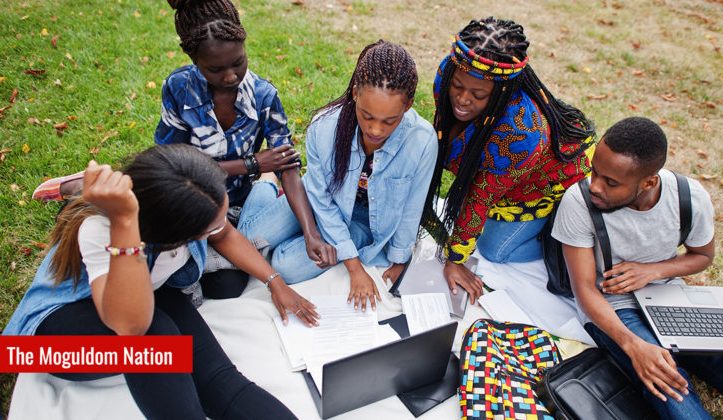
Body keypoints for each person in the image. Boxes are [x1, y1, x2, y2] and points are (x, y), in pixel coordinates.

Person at [32, 0, 337, 298]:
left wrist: (311, 234)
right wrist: (252, 164)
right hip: (186, 203)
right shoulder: (179, 88)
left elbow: (287, 167)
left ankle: (260, 195)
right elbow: (172, 166)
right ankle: (88, 184)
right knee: (195, 277)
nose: (231, 76)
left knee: (226, 287)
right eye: (215, 69)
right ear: (194, 59)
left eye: (238, 62)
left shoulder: (264, 96)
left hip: (233, 205)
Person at [5, 144, 318, 419]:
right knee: (156, 338)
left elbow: (224, 233)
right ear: (171, 233)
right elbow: (131, 327)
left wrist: (275, 282)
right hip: (52, 344)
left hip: (145, 291)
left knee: (219, 381)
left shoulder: (188, 199)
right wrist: (124, 222)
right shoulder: (102, 228)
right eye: (207, 229)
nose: (220, 227)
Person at [552, 117, 723, 419]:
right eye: (595, 172)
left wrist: (653, 271)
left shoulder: (690, 197)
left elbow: (702, 256)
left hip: (670, 298)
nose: (595, 186)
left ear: (649, 182)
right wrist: (633, 345)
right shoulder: (578, 202)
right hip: (614, 307)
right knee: (671, 387)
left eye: (611, 182)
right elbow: (584, 289)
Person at [251, 40, 436, 311]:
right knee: (250, 239)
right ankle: (266, 183)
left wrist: (398, 260)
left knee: (284, 265)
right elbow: (321, 199)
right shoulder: (324, 127)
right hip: (318, 203)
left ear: (408, 106)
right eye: (367, 116)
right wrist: (353, 266)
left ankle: (333, 236)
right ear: (355, 93)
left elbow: (411, 208)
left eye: (389, 121)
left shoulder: (422, 141)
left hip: (363, 223)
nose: (375, 130)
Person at [423, 17, 596, 304]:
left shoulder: (521, 133)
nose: (462, 99)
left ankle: (564, 238)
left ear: (503, 92)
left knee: (494, 250)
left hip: (550, 181)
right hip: (511, 174)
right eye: (457, 86)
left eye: (478, 94)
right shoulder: (451, 69)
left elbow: (479, 197)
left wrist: (455, 260)